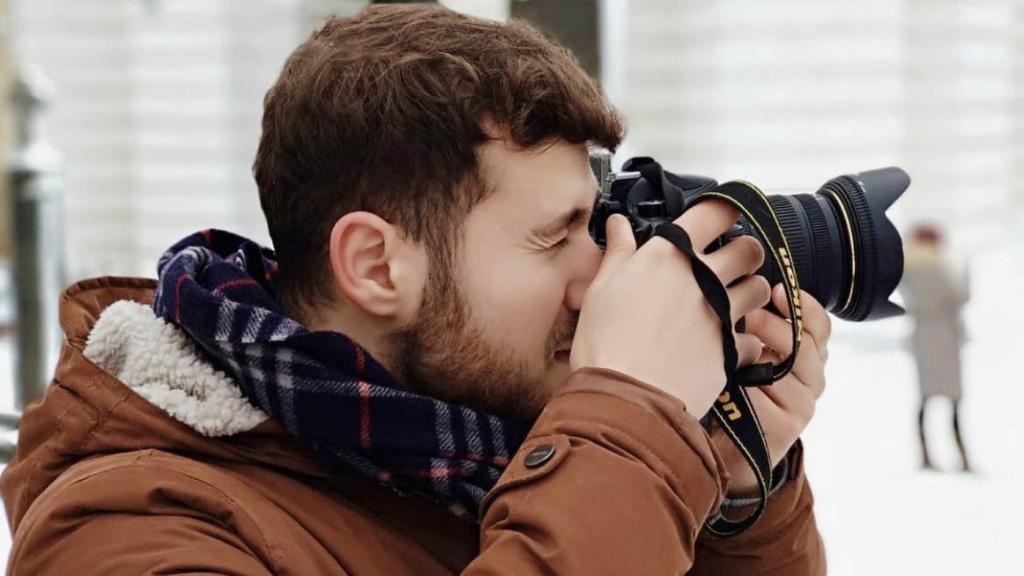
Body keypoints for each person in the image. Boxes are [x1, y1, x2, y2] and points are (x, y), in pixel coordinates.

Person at [2, 5, 829, 574]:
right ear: (375, 265)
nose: (603, 276)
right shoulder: (129, 530)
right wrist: (626, 432)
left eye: (598, 223)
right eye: (556, 237)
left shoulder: (478, 450)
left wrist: (729, 493)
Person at [900, 223, 972, 472]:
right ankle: (962, 457)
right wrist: (966, 273)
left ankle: (926, 455)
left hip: (923, 338)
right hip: (943, 339)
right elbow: (959, 296)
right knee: (953, 399)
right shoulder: (935, 269)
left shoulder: (908, 271)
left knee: (925, 398)